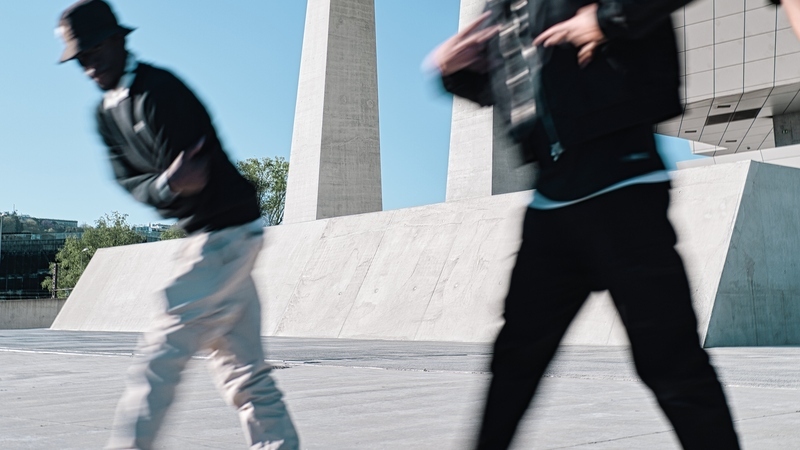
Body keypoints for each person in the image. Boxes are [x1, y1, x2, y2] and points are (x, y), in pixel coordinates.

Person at [430, 1, 741, 449]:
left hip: (624, 185)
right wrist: (456, 73)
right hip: (552, 199)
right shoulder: (502, 9)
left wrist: (606, 19)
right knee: (515, 363)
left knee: (669, 363)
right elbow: (521, 88)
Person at [56, 1, 299, 449]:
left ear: (118, 41)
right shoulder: (105, 114)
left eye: (95, 51)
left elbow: (194, 180)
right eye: (80, 59)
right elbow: (132, 184)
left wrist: (166, 187)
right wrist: (167, 184)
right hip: (214, 239)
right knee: (246, 375)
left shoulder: (159, 90)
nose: (89, 66)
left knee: (159, 357)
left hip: (225, 237)